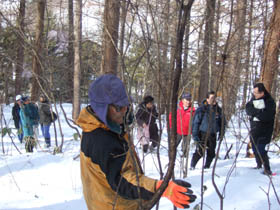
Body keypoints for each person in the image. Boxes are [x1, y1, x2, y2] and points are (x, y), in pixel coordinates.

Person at [76, 74, 196, 210]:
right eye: (118, 107)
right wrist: (161, 187)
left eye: (126, 105)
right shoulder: (100, 139)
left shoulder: (106, 126)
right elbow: (122, 180)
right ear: (102, 109)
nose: (125, 110)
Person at [190, 91, 225, 170]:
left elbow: (223, 123)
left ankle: (207, 167)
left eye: (215, 98)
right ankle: (192, 166)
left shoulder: (218, 110)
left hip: (213, 134)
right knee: (200, 152)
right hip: (202, 134)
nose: (214, 100)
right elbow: (196, 122)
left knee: (211, 153)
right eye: (212, 98)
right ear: (207, 99)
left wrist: (221, 133)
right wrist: (195, 135)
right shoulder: (202, 109)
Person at [245, 83, 276, 175]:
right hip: (254, 128)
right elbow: (248, 109)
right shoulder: (253, 99)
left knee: (261, 148)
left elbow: (267, 115)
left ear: (262, 93)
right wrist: (258, 111)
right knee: (254, 147)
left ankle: (267, 168)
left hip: (265, 130)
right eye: (253, 92)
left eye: (256, 93)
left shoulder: (269, 101)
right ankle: (259, 164)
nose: (254, 94)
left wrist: (257, 113)